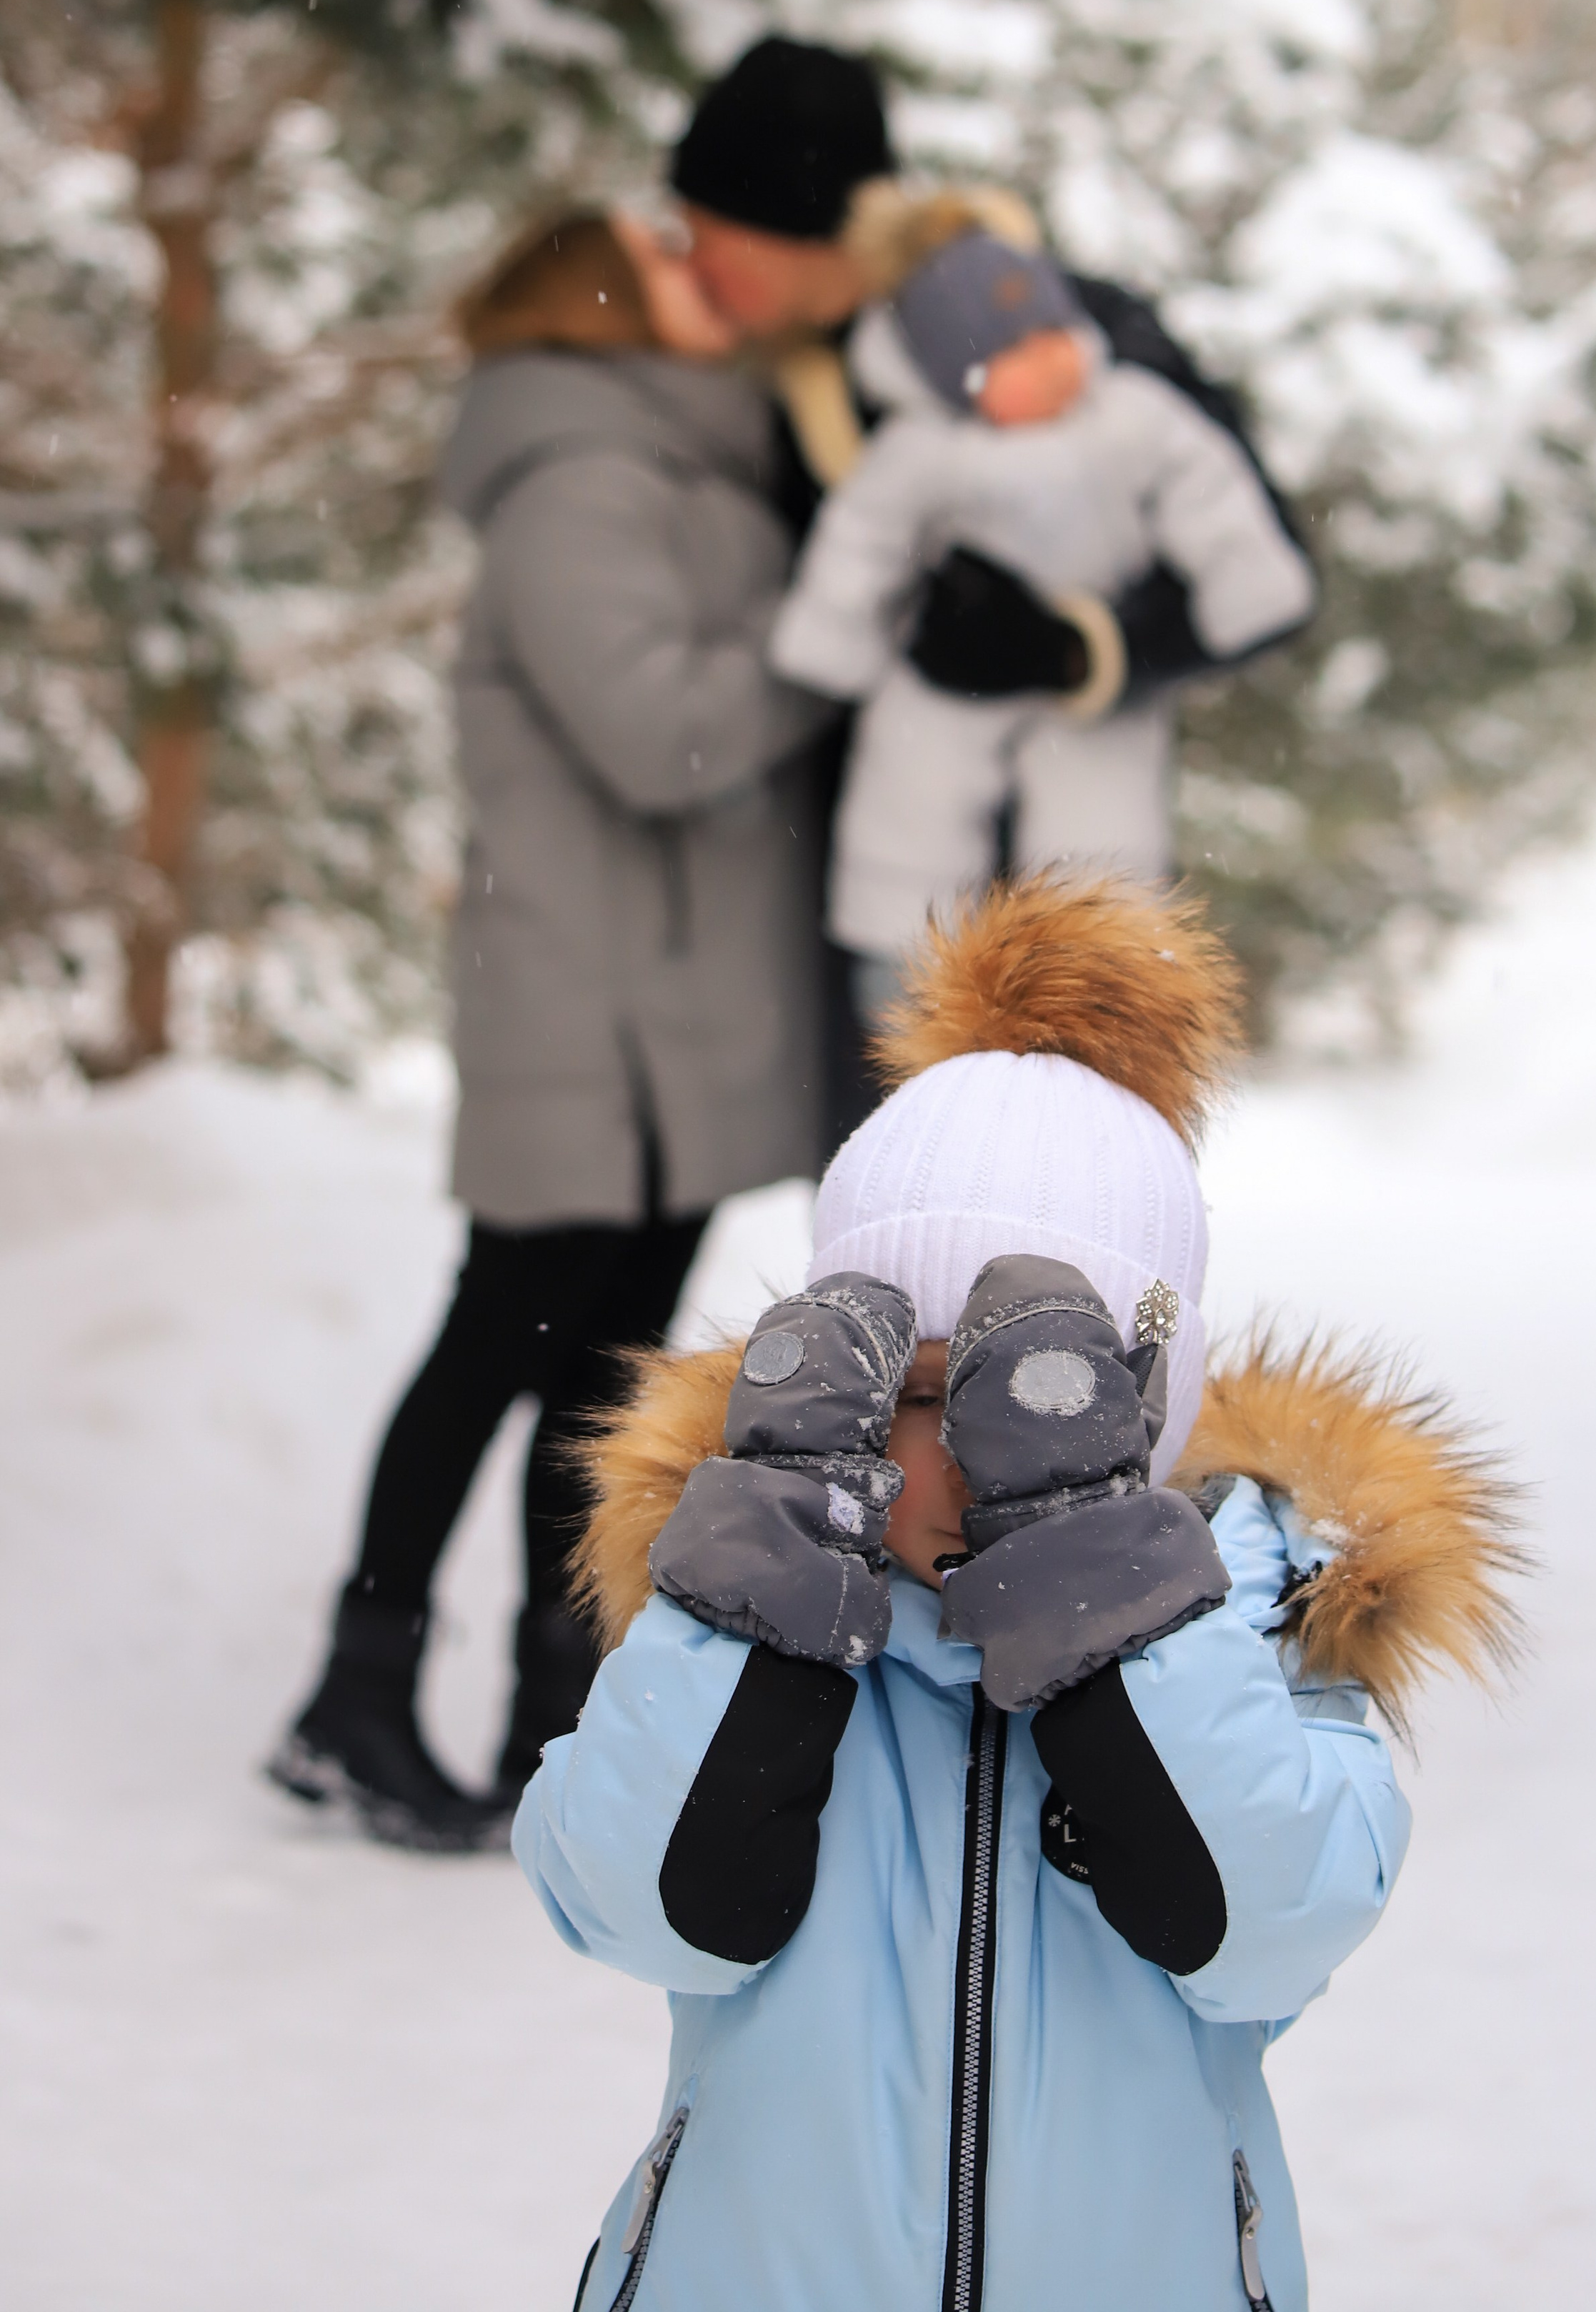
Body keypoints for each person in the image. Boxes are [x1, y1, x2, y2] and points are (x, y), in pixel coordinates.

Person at [515, 872, 1522, 2312]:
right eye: (912, 1393)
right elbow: (634, 1905)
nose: (963, 1457)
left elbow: (1261, 1931)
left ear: (1144, 1413)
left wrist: (1097, 1592)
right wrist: (770, 1587)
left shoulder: (1260, 1629)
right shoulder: (750, 1601)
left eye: (1040, 1403)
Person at [269, 211, 832, 1853]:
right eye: (661, 249)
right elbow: (656, 732)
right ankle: (355, 1691)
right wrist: (826, 643)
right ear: (595, 300)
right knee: (494, 1352)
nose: (698, 262)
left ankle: (552, 1706)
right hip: (588, 1013)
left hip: (660, 1017)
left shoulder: (670, 468)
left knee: (590, 1385)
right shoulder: (582, 479)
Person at [767, 224, 1315, 990]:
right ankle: (903, 956)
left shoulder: (1132, 412)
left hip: (1089, 684)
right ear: (955, 377)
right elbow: (862, 539)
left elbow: (1211, 492)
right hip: (945, 671)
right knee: (915, 790)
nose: (1052, 359)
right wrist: (834, 636)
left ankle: (1097, 964)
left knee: (1099, 817)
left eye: (1056, 333)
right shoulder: (921, 450)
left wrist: (1242, 581)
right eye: (1013, 352)